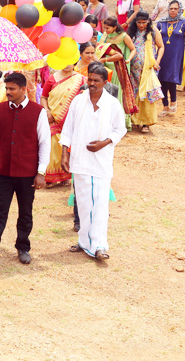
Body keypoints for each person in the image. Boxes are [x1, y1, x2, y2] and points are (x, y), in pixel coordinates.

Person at [0, 73, 51, 266]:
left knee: (25, 212)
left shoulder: (38, 111)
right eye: (7, 88)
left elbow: (45, 142)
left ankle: (23, 247)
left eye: (12, 89)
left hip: (28, 172)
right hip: (3, 170)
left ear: (23, 89)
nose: (8, 92)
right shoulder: (0, 109)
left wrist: (41, 172)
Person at [60, 64, 126, 260]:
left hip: (101, 161)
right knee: (83, 202)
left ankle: (99, 245)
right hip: (80, 159)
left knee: (100, 203)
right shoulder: (78, 101)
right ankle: (83, 241)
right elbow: (68, 129)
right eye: (90, 80)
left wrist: (104, 143)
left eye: (97, 81)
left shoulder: (113, 104)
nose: (92, 84)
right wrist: (65, 154)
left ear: (106, 82)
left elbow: (120, 130)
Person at [40, 64, 87, 185]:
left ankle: (66, 176)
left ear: (75, 63)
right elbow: (44, 97)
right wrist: (46, 110)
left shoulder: (80, 79)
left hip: (72, 119)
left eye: (70, 62)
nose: (67, 65)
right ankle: (51, 176)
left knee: (69, 145)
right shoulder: (52, 78)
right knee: (53, 146)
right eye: (64, 62)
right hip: (54, 117)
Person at [98, 16, 138, 129]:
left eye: (108, 28)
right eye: (104, 28)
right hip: (106, 67)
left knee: (118, 91)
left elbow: (133, 49)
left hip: (119, 67)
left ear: (115, 27)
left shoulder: (123, 36)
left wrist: (129, 59)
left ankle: (119, 122)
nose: (105, 30)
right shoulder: (105, 36)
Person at [128, 11, 165, 131]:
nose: (141, 25)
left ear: (148, 21)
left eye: (144, 22)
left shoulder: (153, 31)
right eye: (139, 22)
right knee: (134, 93)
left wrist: (157, 61)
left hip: (149, 69)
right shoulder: (132, 32)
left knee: (147, 94)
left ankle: (146, 123)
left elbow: (161, 47)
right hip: (133, 70)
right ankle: (134, 120)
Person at [156, 0, 185, 115]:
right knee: (161, 78)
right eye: (171, 8)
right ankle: (165, 106)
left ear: (180, 10)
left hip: (176, 55)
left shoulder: (183, 23)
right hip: (162, 54)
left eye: (175, 9)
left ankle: (173, 101)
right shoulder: (161, 23)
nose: (173, 10)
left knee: (171, 77)